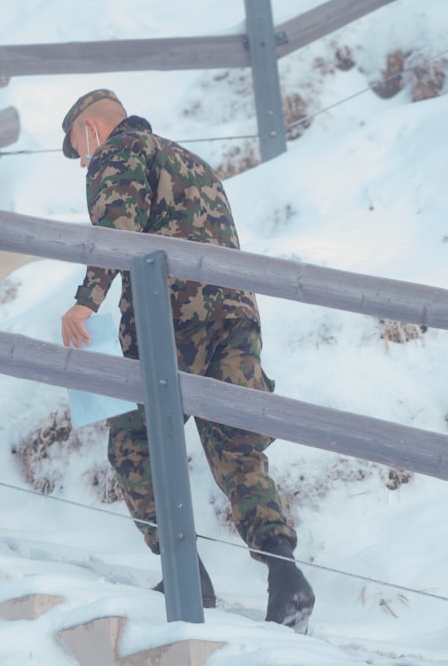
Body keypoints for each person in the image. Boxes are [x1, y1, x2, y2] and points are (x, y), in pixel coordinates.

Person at [59, 89, 314, 631]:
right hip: (237, 315)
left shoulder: (116, 152)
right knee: (237, 449)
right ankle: (284, 573)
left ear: (90, 129)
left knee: (134, 443)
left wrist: (87, 301)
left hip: (170, 315)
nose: (84, 162)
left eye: (79, 149)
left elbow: (117, 230)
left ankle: (185, 574)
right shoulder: (193, 161)